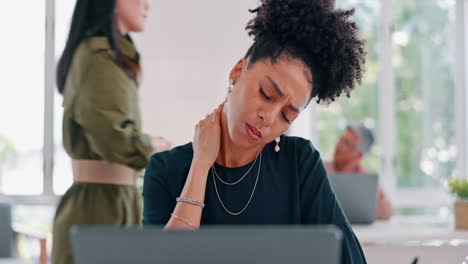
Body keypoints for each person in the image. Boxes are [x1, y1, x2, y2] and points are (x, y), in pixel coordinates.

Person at [143, 0, 367, 263]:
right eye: (267, 94)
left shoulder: (299, 163)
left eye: (286, 115)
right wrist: (200, 165)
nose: (268, 118)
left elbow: (350, 259)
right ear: (238, 71)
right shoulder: (166, 169)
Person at [51, 0, 167, 263]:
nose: (147, 4)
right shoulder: (97, 57)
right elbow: (112, 137)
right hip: (100, 209)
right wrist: (154, 148)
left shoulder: (109, 56)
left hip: (114, 203)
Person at [325, 123, 394, 220]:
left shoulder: (365, 180)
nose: (339, 145)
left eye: (346, 143)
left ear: (359, 155)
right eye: (341, 139)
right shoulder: (319, 169)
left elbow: (388, 212)